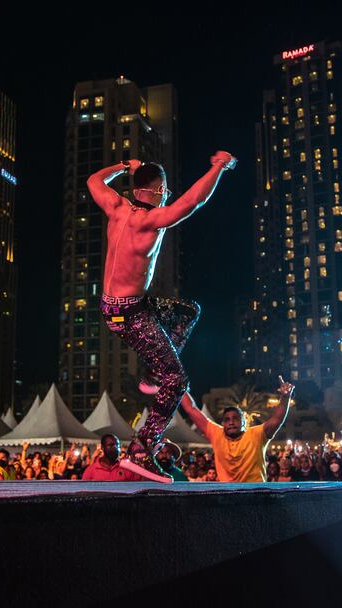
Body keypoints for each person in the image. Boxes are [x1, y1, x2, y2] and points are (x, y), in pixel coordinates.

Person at [88, 151, 236, 482]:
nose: (167, 193)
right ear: (155, 190)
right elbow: (193, 201)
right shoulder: (148, 220)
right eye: (165, 188)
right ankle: (141, 450)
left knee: (187, 311)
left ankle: (153, 376)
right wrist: (218, 167)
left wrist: (125, 167)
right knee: (178, 381)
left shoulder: (116, 207)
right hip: (128, 313)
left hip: (123, 304)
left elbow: (94, 180)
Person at [181, 376, 294, 482]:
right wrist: (180, 388)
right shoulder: (216, 434)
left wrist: (285, 397)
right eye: (227, 419)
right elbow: (191, 409)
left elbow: (276, 420)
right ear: (223, 423)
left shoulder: (256, 434)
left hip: (255, 495)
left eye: (235, 418)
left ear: (244, 422)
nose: (231, 422)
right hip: (228, 496)